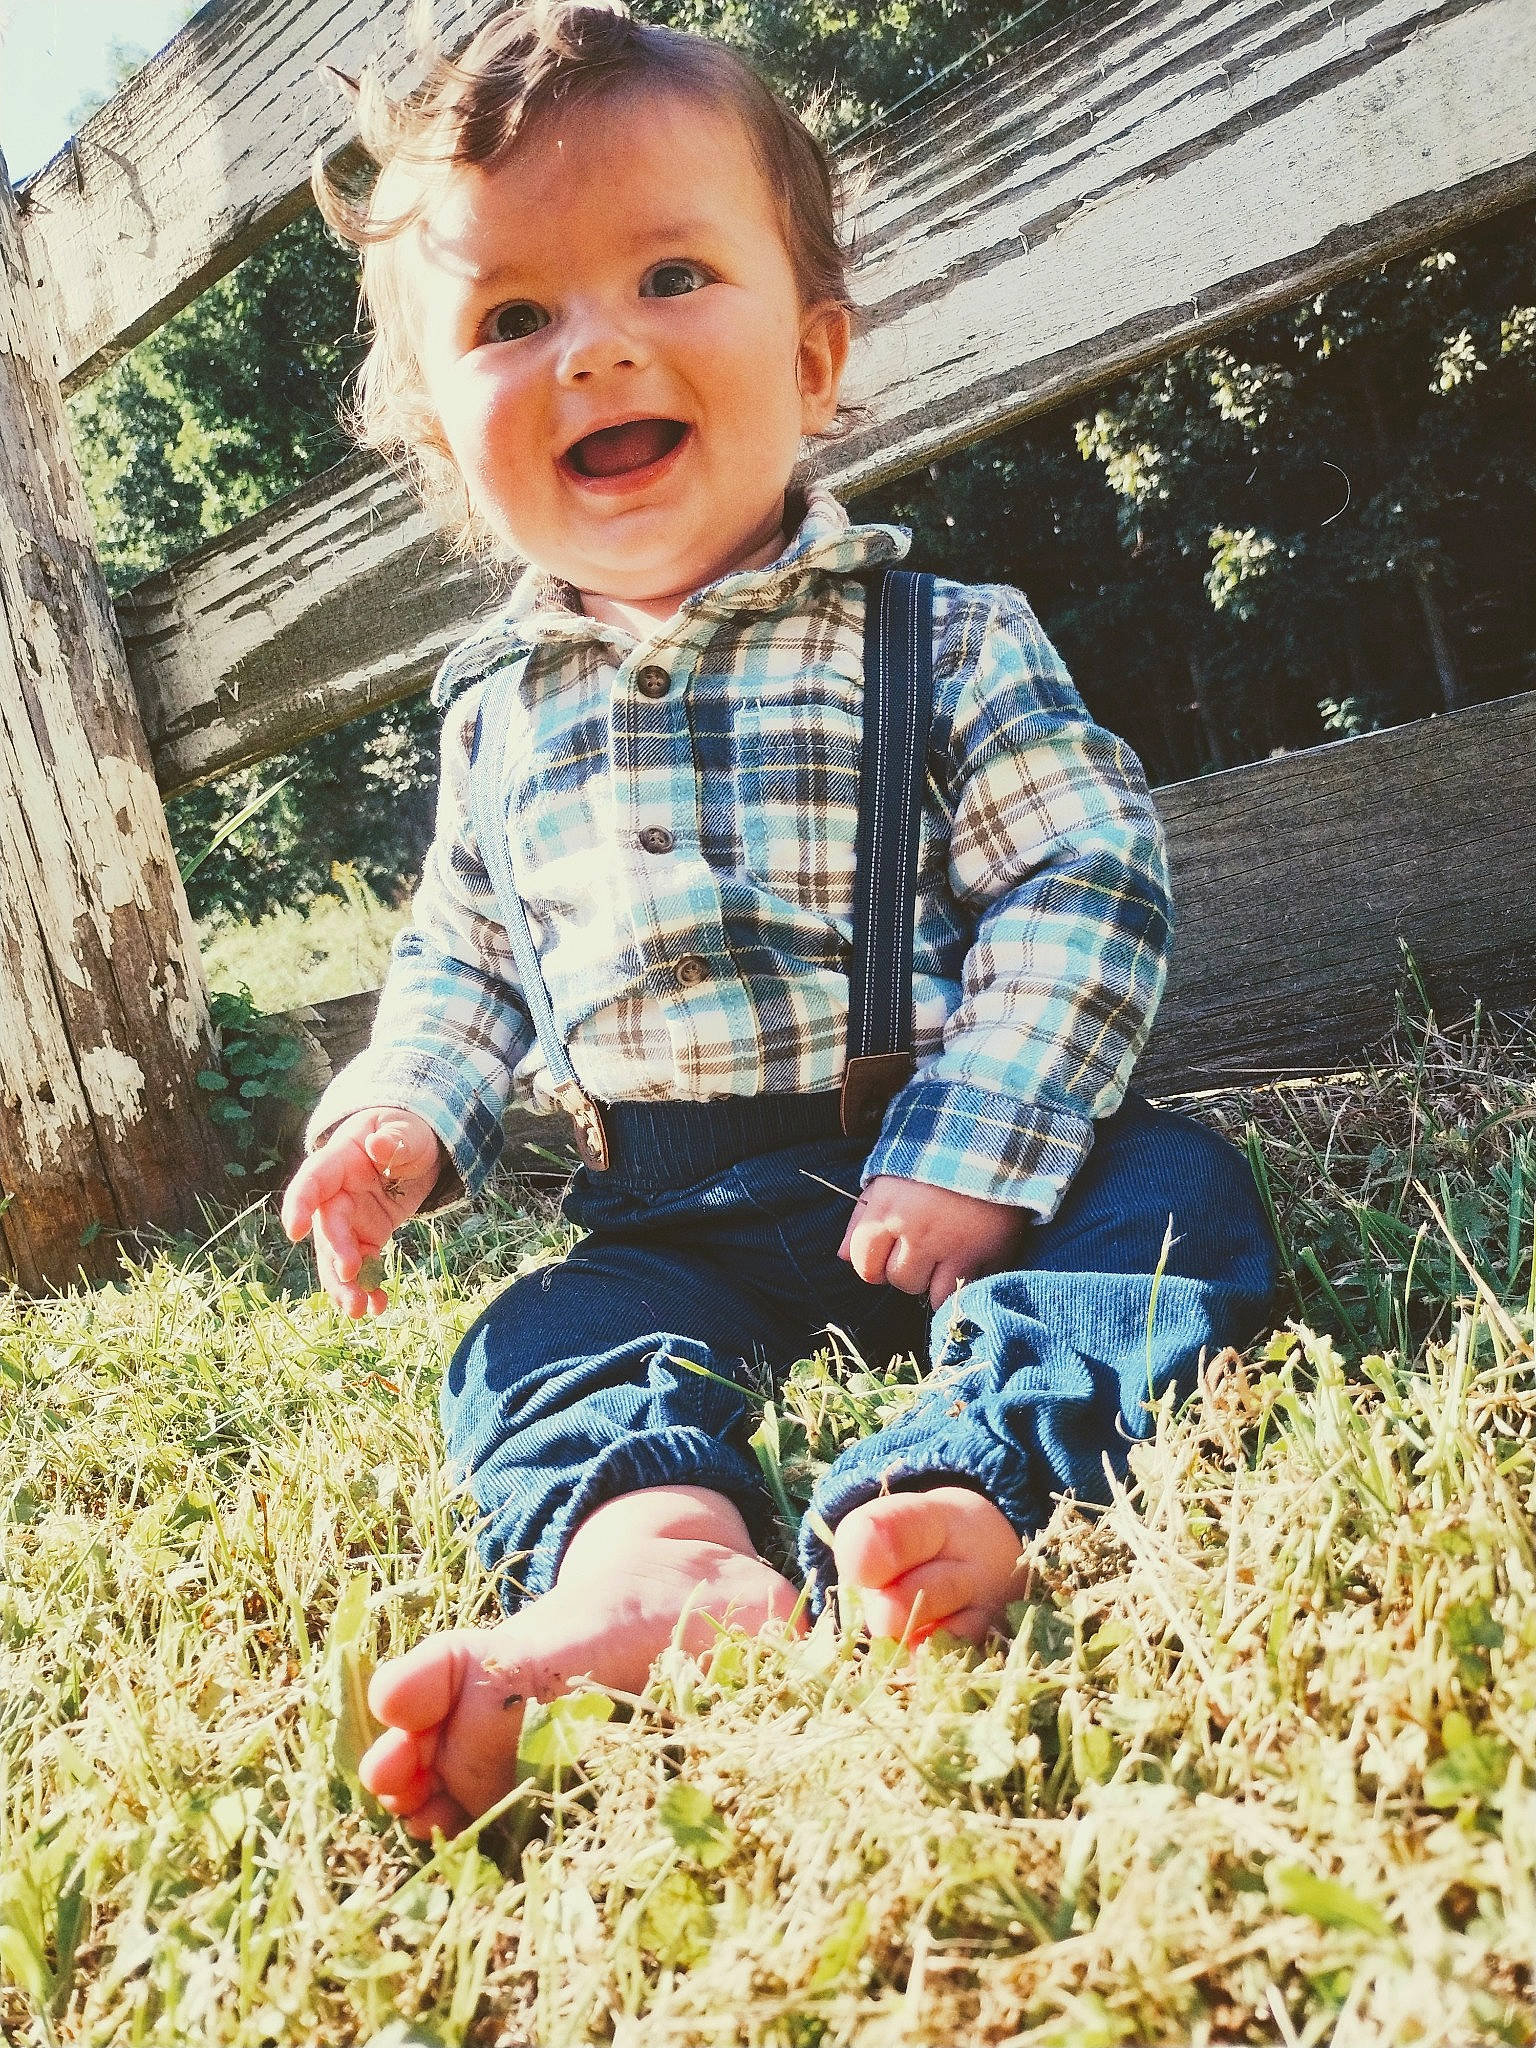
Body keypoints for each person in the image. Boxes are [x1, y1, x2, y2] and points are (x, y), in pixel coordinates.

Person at [282, 0, 1278, 1842]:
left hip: (974, 1170)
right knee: (536, 1332)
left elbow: (1087, 877)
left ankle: (966, 1489)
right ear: (437, 435)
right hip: (675, 1212)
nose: (595, 350)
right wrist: (396, 1112)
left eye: (670, 273)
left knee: (1177, 1201)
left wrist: (983, 1143)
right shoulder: (497, 719)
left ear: (814, 356)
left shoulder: (945, 636)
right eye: (513, 319)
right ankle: (656, 1559)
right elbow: (464, 959)